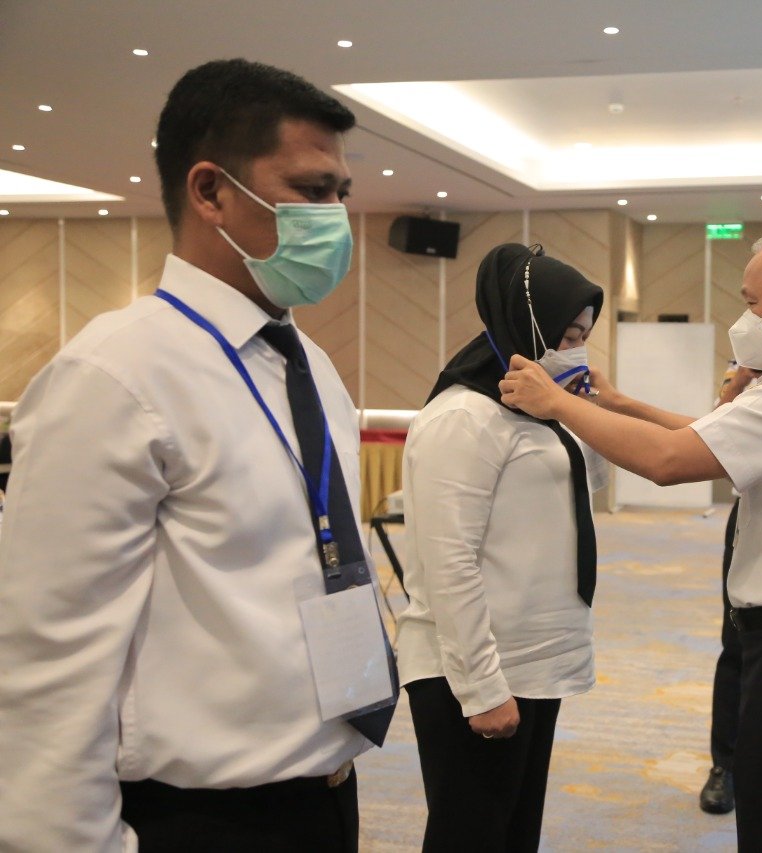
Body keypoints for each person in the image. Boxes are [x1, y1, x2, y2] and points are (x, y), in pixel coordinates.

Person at [0, 59, 395, 852]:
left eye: (342, 194)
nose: (336, 217)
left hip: (326, 793)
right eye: (313, 190)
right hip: (202, 817)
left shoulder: (307, 362)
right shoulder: (116, 375)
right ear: (211, 191)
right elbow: (47, 660)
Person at [500, 228, 762, 852]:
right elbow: (710, 434)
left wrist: (556, 402)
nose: (745, 318)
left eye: (753, 302)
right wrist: (615, 402)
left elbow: (669, 461)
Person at [399, 242, 607, 852]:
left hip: (535, 661)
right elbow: (448, 561)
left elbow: (585, 486)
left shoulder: (538, 410)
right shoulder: (464, 417)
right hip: (474, 668)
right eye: (567, 335)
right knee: (471, 835)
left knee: (514, 834)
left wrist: (583, 406)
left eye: (584, 337)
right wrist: (482, 687)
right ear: (527, 324)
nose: (576, 349)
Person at [698, 364, 758, 816]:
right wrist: (738, 383)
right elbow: (713, 435)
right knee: (736, 646)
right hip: (750, 517)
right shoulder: (746, 371)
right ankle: (725, 765)